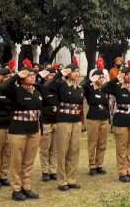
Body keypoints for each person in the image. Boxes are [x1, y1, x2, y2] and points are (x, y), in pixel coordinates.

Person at [0, 66, 42, 201]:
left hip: (33, 130)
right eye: (29, 75)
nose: (32, 76)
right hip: (18, 130)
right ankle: (16, 189)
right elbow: (3, 87)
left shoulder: (37, 92)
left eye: (33, 75)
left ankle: (26, 186)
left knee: (28, 161)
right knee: (17, 160)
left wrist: (41, 129)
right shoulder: (15, 91)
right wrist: (17, 76)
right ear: (23, 78)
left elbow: (40, 113)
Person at [45, 62, 85, 191]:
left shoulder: (79, 88)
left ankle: (71, 178)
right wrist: (59, 74)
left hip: (76, 121)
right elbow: (47, 86)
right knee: (63, 150)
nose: (76, 74)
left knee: (74, 150)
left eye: (78, 71)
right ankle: (62, 180)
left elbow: (81, 107)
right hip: (63, 120)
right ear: (68, 73)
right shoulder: (61, 85)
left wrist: (82, 123)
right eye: (74, 71)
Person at [102, 67, 130, 182]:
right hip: (121, 121)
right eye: (127, 74)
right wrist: (116, 79)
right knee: (122, 148)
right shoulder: (117, 87)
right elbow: (103, 88)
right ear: (123, 75)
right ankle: (122, 172)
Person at [83, 66, 110, 176]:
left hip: (104, 117)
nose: (102, 79)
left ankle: (99, 164)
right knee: (92, 143)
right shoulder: (89, 88)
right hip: (93, 118)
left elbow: (107, 105)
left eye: (103, 77)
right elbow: (83, 86)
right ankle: (92, 165)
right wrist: (91, 80)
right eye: (99, 77)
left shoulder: (104, 89)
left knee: (102, 143)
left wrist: (109, 120)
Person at [37, 66, 59, 182]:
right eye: (49, 75)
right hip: (46, 121)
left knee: (54, 148)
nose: (52, 78)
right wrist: (39, 75)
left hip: (56, 120)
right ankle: (45, 171)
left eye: (53, 76)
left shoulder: (58, 87)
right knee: (45, 148)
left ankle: (53, 170)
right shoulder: (41, 87)